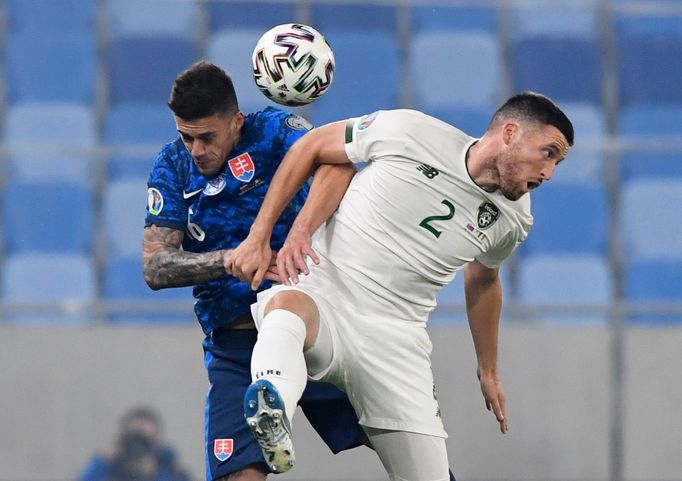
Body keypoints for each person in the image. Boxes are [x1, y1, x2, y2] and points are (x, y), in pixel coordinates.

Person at [228, 92, 574, 480]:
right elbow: (312, 146)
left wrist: (488, 370)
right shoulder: (409, 131)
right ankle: (272, 407)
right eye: (548, 153)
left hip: (397, 340)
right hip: (327, 292)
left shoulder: (515, 217)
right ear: (510, 133)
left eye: (558, 162)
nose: (549, 174)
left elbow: (483, 280)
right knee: (287, 309)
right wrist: (262, 235)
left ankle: (274, 400)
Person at [141, 60, 367, 481]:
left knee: (404, 443)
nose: (196, 150)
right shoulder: (171, 166)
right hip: (237, 341)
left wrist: (298, 233)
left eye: (206, 137)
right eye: (185, 136)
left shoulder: (278, 132)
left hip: (319, 322)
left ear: (236, 121)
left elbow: (341, 163)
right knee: (238, 475)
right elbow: (155, 266)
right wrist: (229, 260)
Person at [77, 406, 190, 481]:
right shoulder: (108, 471)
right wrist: (102, 461)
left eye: (145, 440)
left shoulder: (173, 473)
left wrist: (153, 476)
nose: (138, 446)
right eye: (134, 437)